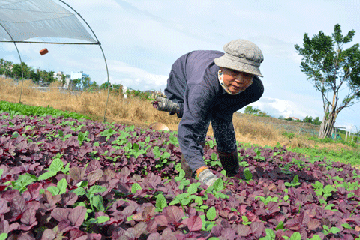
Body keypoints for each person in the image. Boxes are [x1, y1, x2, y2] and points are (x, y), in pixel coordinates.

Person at [152, 39, 264, 187]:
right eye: (234, 72)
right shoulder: (201, 86)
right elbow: (189, 130)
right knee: (198, 121)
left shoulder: (254, 90)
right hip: (185, 73)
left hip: (209, 92)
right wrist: (203, 171)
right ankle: (190, 178)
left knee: (223, 123)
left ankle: (232, 173)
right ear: (223, 67)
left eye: (247, 75)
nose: (239, 80)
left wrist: (219, 113)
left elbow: (226, 110)